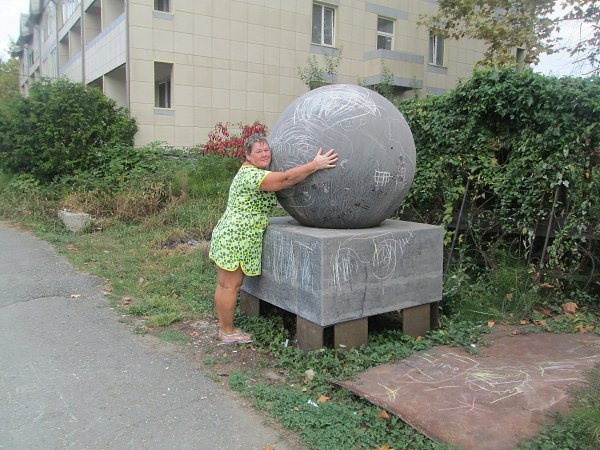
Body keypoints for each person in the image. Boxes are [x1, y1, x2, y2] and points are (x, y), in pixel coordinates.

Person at [208, 133, 338, 344]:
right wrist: (315, 164)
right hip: (236, 237)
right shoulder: (251, 175)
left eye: (266, 149)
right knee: (229, 285)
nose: (264, 154)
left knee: (226, 285)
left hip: (232, 234)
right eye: (258, 151)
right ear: (248, 156)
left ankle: (225, 328)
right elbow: (286, 179)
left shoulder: (253, 171)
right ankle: (227, 332)